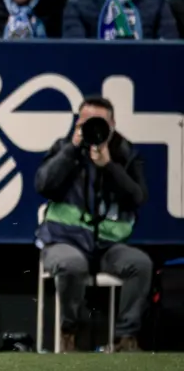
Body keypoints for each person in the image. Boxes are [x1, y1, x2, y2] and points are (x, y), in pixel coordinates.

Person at [34, 96, 151, 352]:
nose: (93, 128)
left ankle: (125, 339)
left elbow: (138, 198)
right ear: (78, 122)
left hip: (108, 247)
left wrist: (109, 166)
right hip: (65, 240)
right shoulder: (64, 148)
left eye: (100, 122)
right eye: (86, 122)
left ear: (112, 125)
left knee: (140, 264)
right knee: (71, 265)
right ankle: (69, 334)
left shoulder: (126, 154)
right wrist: (72, 149)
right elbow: (43, 185)